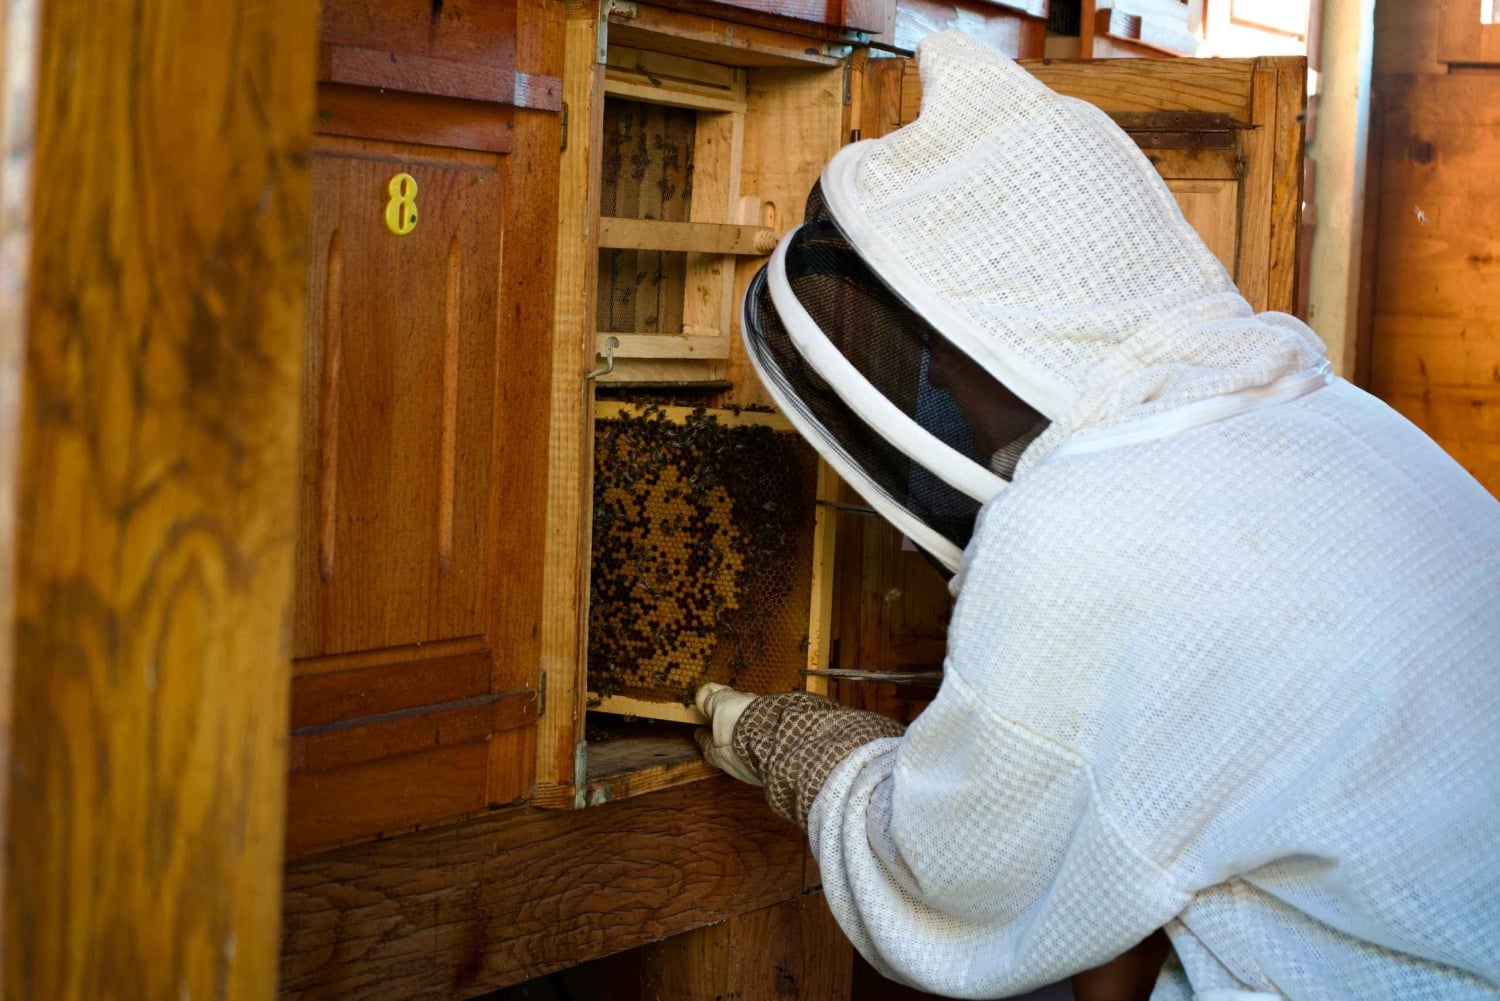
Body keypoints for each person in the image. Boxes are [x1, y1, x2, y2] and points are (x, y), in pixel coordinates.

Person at [696, 29, 1500, 1001]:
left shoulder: (1084, 520)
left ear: (997, 324)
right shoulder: (1330, 413)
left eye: (940, 348)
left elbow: (954, 874)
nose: (940, 377)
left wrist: (815, 758)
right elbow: (1149, 818)